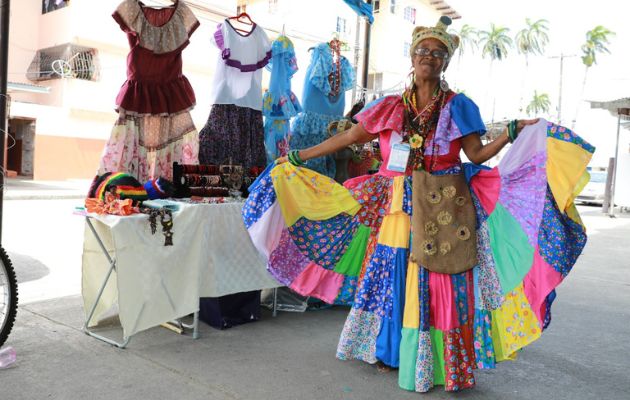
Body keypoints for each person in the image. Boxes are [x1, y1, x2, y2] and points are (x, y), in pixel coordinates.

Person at [243, 16, 594, 393]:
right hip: (394, 202)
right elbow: (349, 138)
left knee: (440, 280)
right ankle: (391, 351)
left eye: (437, 53)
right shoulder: (390, 106)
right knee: (393, 274)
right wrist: (299, 156)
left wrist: (509, 133)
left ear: (445, 62)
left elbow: (475, 155)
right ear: (412, 58)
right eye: (423, 51)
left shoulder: (459, 106)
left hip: (445, 202)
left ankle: (440, 362)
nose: (429, 57)